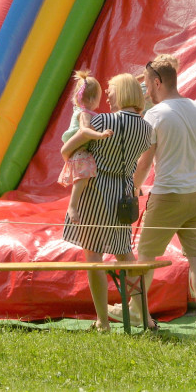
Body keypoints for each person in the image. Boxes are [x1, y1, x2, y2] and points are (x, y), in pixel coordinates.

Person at [112, 54, 196, 328]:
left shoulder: (156, 114)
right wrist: (194, 162)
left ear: (158, 82)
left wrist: (133, 187)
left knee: (145, 257)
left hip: (167, 195)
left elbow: (146, 159)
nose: (146, 91)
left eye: (147, 84)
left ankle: (137, 310)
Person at [62, 73, 148, 332]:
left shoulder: (99, 120)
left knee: (93, 257)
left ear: (121, 92)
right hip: (123, 193)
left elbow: (67, 151)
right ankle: (142, 313)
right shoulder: (146, 128)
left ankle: (102, 321)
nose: (107, 95)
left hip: (95, 192)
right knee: (125, 256)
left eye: (111, 90)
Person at [58, 69, 108, 189]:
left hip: (75, 148)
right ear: (94, 99)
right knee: (81, 179)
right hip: (78, 149)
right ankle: (73, 206)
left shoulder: (81, 110)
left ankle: (75, 203)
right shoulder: (85, 113)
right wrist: (100, 135)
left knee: (82, 179)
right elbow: (84, 131)